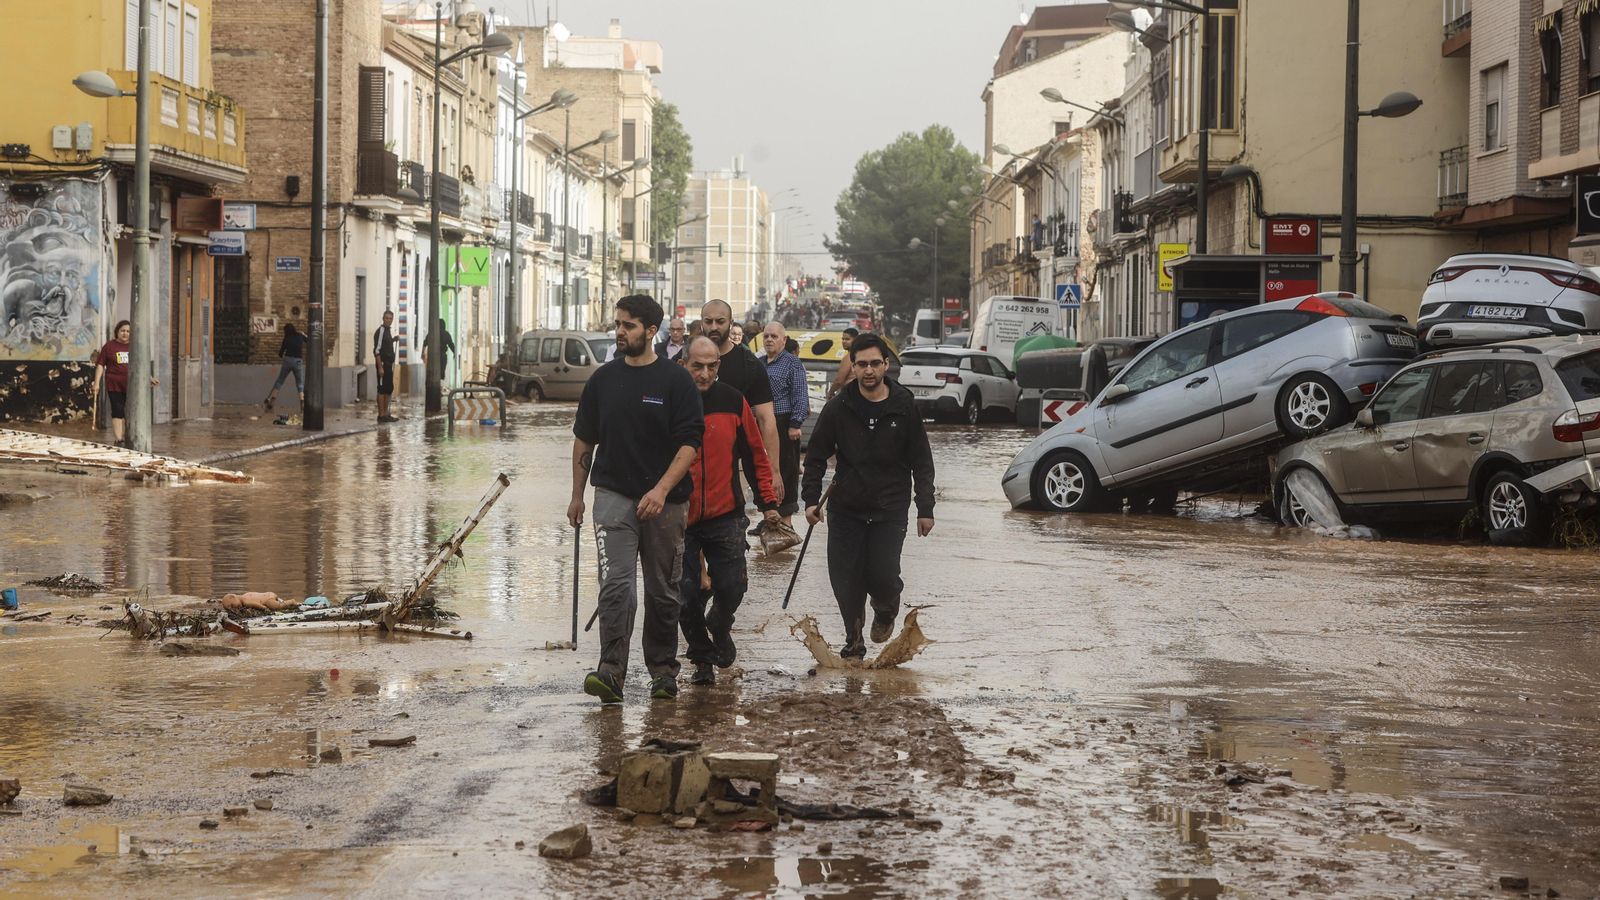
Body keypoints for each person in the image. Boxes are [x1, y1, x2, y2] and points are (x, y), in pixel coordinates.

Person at [569, 294, 703, 704]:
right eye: (617, 324)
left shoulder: (675, 381)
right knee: (616, 586)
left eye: (628, 325)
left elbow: (690, 443)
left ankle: (662, 671)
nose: (620, 332)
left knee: (663, 591)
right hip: (612, 496)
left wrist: (661, 490)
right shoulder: (603, 380)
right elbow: (583, 440)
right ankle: (611, 672)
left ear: (650, 330)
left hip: (666, 501)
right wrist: (576, 495)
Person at [802, 333, 936, 659]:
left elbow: (921, 459)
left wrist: (925, 507)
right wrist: (810, 501)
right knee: (845, 581)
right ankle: (854, 640)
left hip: (889, 508)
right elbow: (816, 456)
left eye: (875, 363)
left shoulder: (903, 406)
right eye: (861, 364)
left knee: (883, 575)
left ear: (886, 365)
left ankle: (886, 608)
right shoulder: (838, 408)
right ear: (853, 366)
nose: (869, 370)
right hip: (846, 507)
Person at [678, 336, 780, 685]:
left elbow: (756, 455)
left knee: (732, 585)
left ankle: (720, 624)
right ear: (684, 364)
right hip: (679, 516)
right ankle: (701, 658)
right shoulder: (670, 402)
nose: (704, 374)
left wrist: (768, 504)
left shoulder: (733, 401)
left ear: (718, 367)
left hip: (726, 513)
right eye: (697, 367)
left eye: (711, 367)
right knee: (686, 593)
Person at [700, 300, 783, 506]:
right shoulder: (683, 360)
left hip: (733, 462)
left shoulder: (750, 365)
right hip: (690, 458)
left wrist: (774, 471)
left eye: (720, 321)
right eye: (708, 321)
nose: (713, 327)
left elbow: (766, 420)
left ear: (730, 323)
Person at [761, 321, 808, 531]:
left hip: (784, 422)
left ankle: (786, 523)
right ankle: (769, 516)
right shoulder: (759, 363)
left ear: (784, 340)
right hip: (761, 423)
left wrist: (795, 424)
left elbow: (800, 395)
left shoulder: (792, 363)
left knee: (786, 471)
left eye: (774, 336)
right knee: (765, 470)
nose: (769, 339)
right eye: (766, 336)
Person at [91, 319, 131, 446]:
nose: (125, 334)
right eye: (123, 331)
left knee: (129, 411)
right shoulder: (109, 346)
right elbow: (100, 365)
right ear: (117, 332)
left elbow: (142, 365)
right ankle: (119, 438)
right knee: (117, 409)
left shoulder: (135, 346)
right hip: (114, 384)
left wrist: (150, 378)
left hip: (131, 385)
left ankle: (129, 436)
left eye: (128, 331)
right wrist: (96, 383)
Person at [263, 323, 306, 415]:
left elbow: (280, 353)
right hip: (298, 361)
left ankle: (271, 401)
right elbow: (309, 340)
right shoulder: (300, 335)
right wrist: (303, 334)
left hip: (287, 360)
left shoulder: (286, 338)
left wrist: (285, 358)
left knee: (280, 381)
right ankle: (302, 404)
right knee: (300, 383)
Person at [373, 310, 400, 423]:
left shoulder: (388, 331)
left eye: (390, 318)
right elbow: (377, 350)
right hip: (383, 364)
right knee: (382, 390)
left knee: (388, 389)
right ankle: (381, 415)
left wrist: (393, 340)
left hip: (389, 365)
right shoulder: (381, 331)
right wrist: (380, 367)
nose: (388, 320)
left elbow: (385, 344)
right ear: (383, 318)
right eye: (387, 318)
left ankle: (386, 414)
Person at [827, 327, 859, 399]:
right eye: (843, 339)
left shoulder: (849, 357)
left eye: (847, 339)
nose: (844, 341)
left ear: (855, 340)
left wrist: (830, 392)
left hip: (850, 394)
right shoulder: (860, 355)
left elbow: (839, 381)